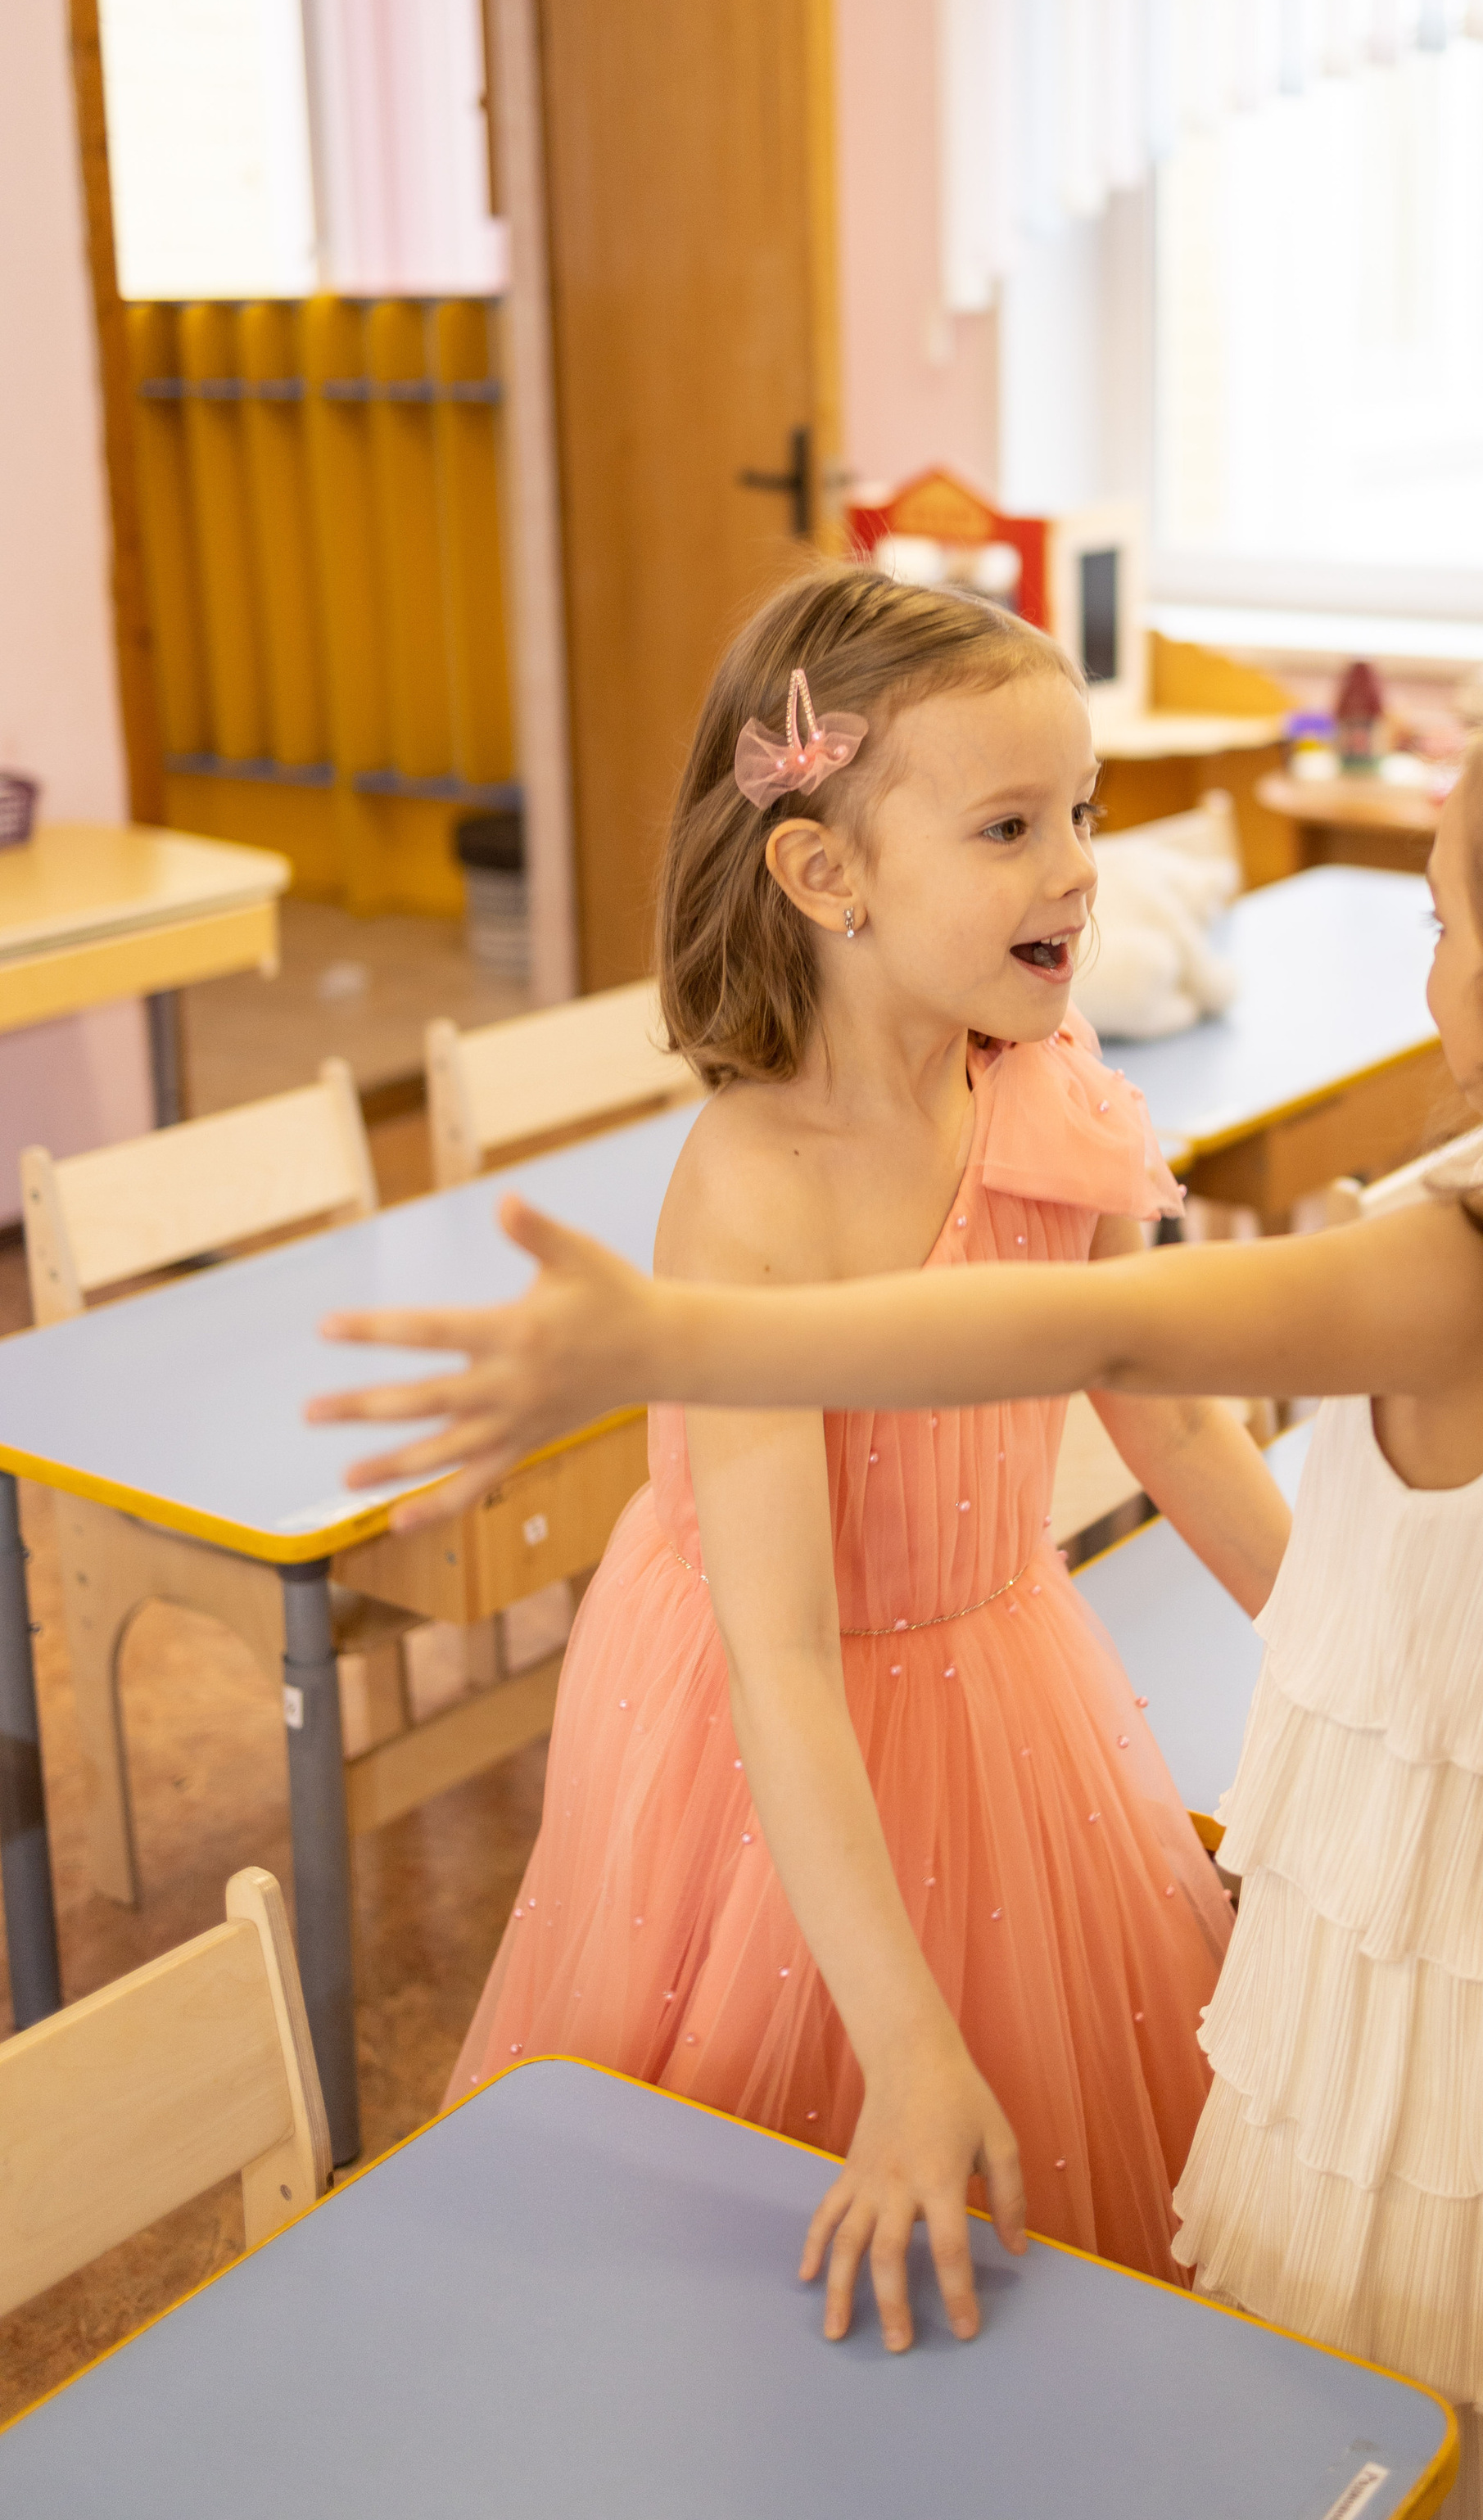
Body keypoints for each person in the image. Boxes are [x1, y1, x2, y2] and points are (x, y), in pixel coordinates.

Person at [315, 670, 1483, 2518]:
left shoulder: (1461, 1256)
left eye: (1444, 920)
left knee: (1293, 2358)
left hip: (1340, 1878)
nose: (1425, 958)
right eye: (1013, 822)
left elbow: (1115, 1331)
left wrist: (673, 1340)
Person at [387, 567, 1290, 2345]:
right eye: (1010, 826)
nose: (1079, 868)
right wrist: (901, 2043)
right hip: (765, 1721)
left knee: (1072, 2217)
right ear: (828, 876)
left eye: (1082, 816)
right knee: (763, 2227)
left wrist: (1367, 1669)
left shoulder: (1048, 1086)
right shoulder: (753, 1189)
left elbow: (1169, 1412)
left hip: (1000, 1666)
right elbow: (777, 1658)